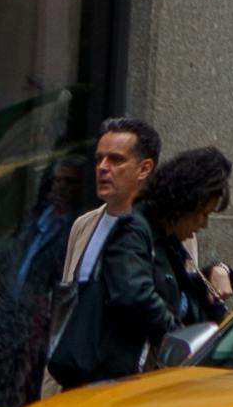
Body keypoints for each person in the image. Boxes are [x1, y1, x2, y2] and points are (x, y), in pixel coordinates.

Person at [42, 115, 189, 388]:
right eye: (99, 159)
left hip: (137, 386)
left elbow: (177, 309)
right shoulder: (84, 226)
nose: (102, 168)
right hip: (78, 384)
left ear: (144, 169)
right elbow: (68, 312)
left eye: (116, 160)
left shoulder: (167, 232)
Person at [144, 148, 233, 330]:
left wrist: (220, 270)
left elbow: (191, 284)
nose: (204, 225)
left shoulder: (173, 245)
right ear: (185, 204)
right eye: (204, 214)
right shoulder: (143, 237)